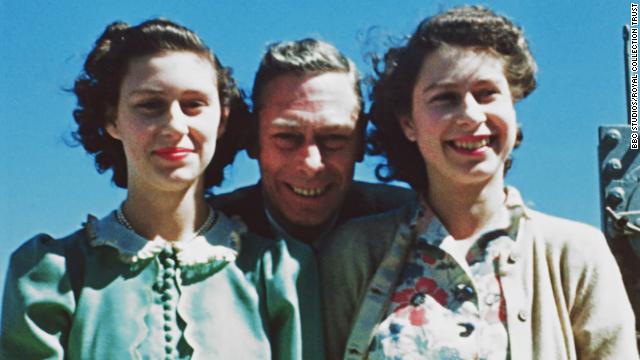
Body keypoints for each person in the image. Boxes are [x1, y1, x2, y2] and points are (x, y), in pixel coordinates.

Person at [319, 5, 638, 359]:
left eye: (487, 93)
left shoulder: (576, 254)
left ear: (513, 110)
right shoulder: (353, 254)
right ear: (409, 123)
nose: (471, 114)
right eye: (445, 98)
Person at [1, 19, 301, 359]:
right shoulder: (53, 273)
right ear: (111, 119)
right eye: (150, 105)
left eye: (193, 104)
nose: (174, 125)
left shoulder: (277, 272)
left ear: (222, 119)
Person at [210, 39, 415, 359]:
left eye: (334, 139)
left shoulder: (416, 227)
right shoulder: (202, 239)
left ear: (361, 140)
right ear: (253, 140)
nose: (310, 163)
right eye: (287, 138)